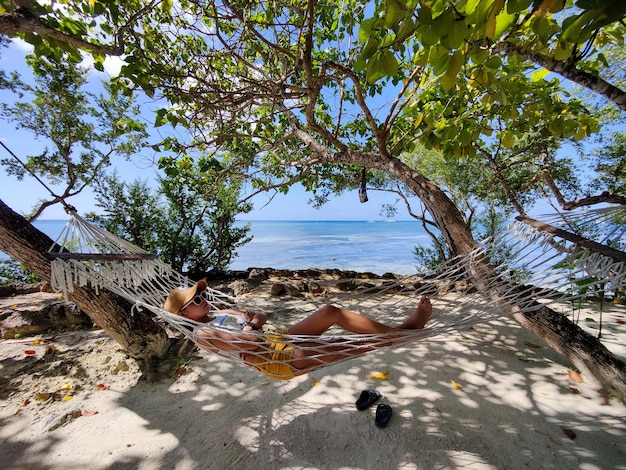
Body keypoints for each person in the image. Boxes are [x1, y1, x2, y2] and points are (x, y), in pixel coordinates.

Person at [164, 280, 433, 380]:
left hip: (278, 338)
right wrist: (252, 326)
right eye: (196, 300)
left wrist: (253, 325)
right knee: (347, 345)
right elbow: (248, 343)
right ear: (185, 314)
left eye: (201, 294)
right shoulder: (203, 335)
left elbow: (261, 315)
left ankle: (402, 329)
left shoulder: (220, 314)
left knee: (329, 311)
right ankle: (407, 328)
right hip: (277, 361)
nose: (204, 299)